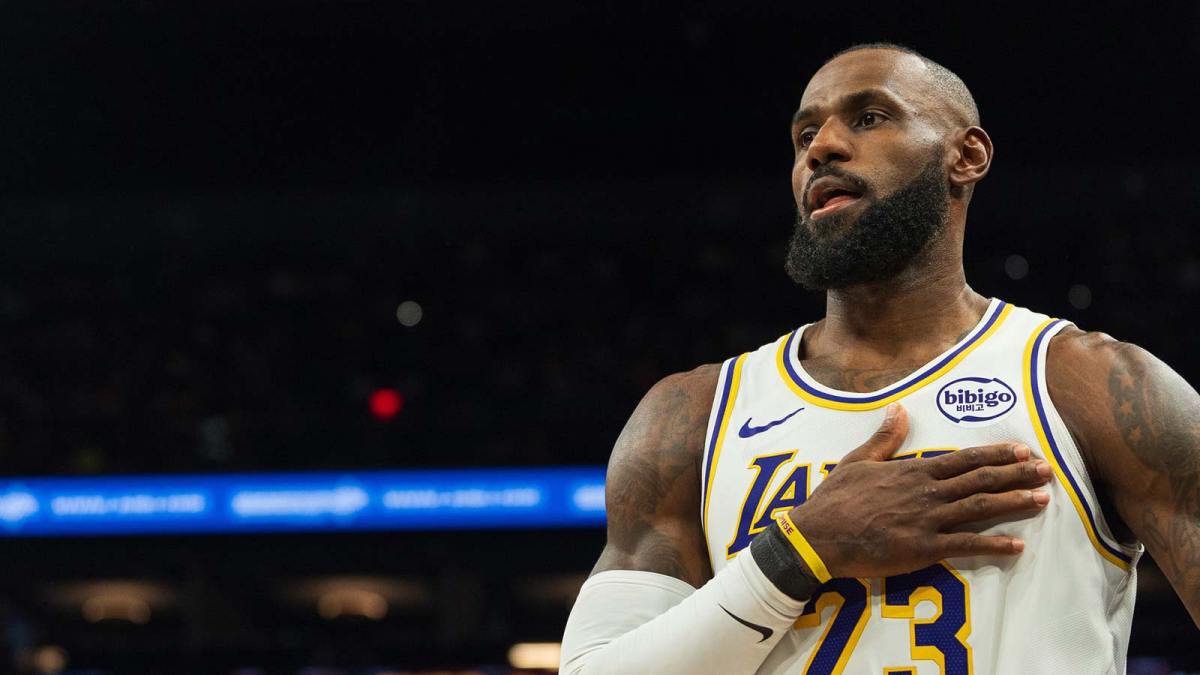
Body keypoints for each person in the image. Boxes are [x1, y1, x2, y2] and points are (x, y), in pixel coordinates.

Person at [559, 43, 1200, 674]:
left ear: (966, 156)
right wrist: (799, 552)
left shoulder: (1093, 384)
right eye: (805, 133)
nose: (822, 148)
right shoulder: (691, 413)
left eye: (868, 118)